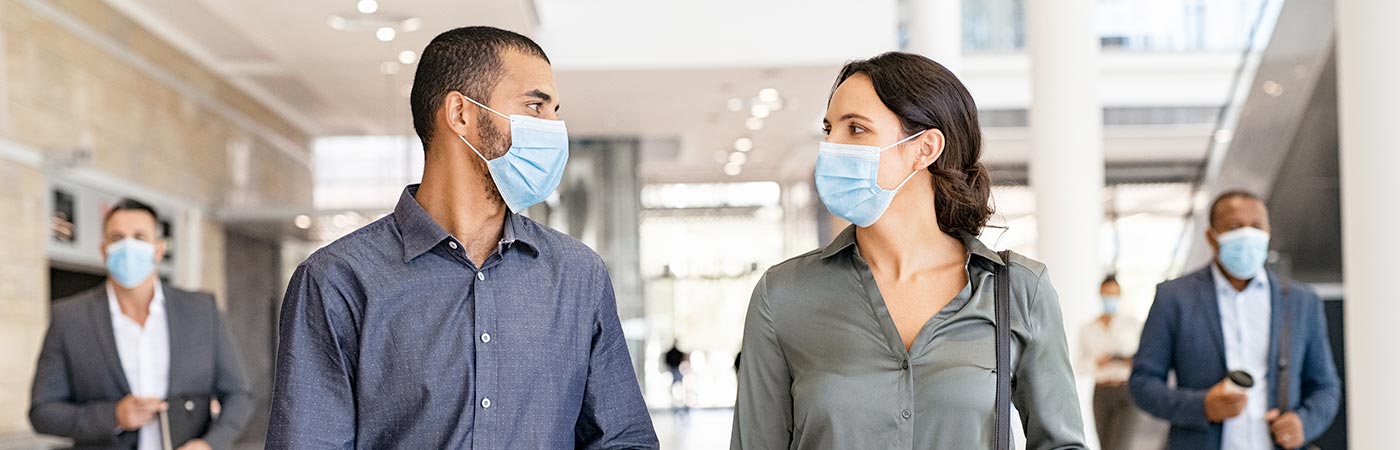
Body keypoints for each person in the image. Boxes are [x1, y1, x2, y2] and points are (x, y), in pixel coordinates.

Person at [267, 26, 657, 449]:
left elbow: (624, 440)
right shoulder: (337, 281)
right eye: (535, 106)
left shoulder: (579, 275)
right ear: (461, 114)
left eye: (555, 111)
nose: (555, 128)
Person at [730, 52, 1086, 450]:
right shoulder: (783, 294)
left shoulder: (1019, 291)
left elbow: (1061, 444)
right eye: (829, 129)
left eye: (856, 129)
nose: (831, 146)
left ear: (925, 148)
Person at [30, 199, 252, 450]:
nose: (128, 246)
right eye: (117, 237)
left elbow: (239, 396)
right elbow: (42, 412)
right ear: (104, 250)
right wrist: (114, 415)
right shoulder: (69, 318)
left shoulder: (202, 311)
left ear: (158, 249)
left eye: (139, 236)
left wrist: (210, 444)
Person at [1130, 191, 1341, 450]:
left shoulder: (1301, 302)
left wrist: (1303, 423)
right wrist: (1201, 406)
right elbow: (1143, 383)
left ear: (1268, 233)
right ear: (1212, 237)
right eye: (1235, 227)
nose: (1247, 235)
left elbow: (1326, 387)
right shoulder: (1174, 298)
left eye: (1256, 226)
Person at [1080, 275, 1143, 450]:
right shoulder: (1088, 328)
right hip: (1101, 392)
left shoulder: (1132, 324)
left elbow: (1144, 357)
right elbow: (1080, 364)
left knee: (1120, 446)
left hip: (1125, 392)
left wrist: (1129, 359)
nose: (1110, 298)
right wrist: (1097, 362)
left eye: (1114, 294)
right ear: (1100, 293)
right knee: (1105, 446)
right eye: (1107, 293)